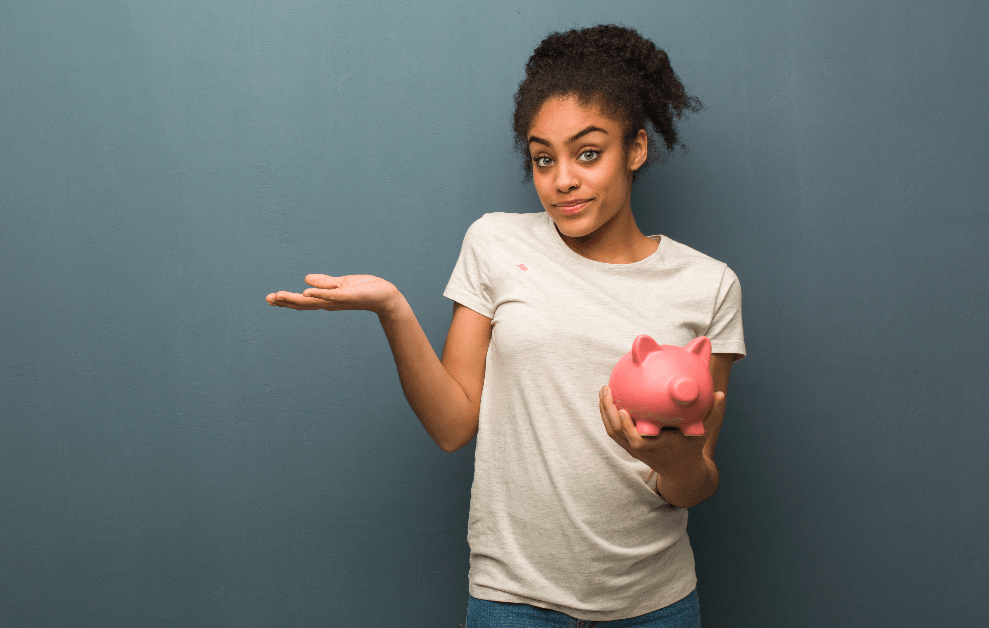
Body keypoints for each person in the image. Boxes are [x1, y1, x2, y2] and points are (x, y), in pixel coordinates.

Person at [265, 24, 745, 628]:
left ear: (637, 149)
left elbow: (695, 483)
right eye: (544, 158)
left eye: (588, 153)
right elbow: (451, 425)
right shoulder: (495, 242)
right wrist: (392, 308)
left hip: (654, 606)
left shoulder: (709, 286)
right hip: (512, 602)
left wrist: (674, 463)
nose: (562, 179)